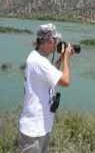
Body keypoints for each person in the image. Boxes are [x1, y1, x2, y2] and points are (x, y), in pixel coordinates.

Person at [18, 23, 74, 153]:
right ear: (49, 41)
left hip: (40, 128)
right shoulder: (39, 61)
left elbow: (50, 74)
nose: (56, 45)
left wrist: (60, 58)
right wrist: (66, 59)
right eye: (55, 41)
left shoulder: (38, 58)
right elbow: (65, 81)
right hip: (34, 132)